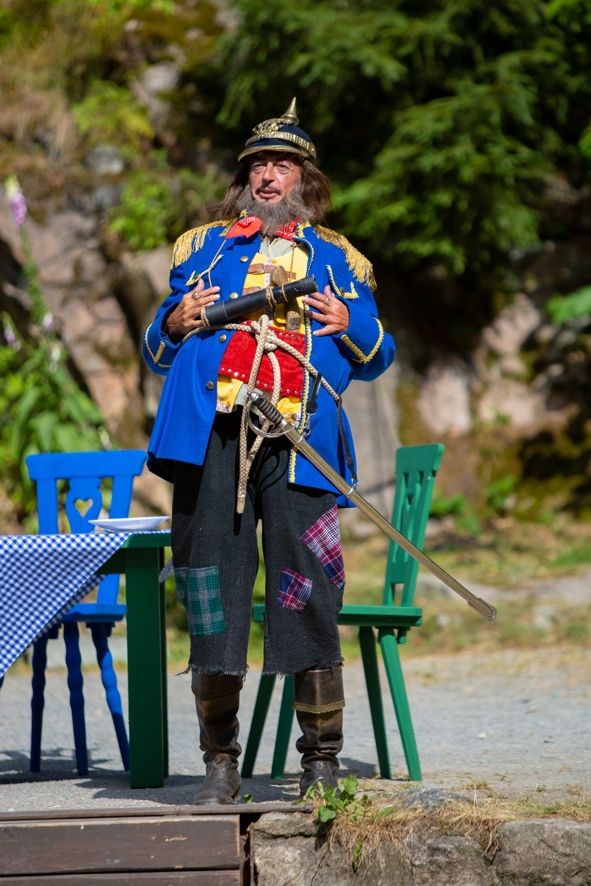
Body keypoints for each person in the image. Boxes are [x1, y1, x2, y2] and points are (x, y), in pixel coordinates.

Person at [143, 98, 396, 805]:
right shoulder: (201, 249)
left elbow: (378, 354)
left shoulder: (340, 258)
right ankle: (219, 765)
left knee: (308, 588)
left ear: (304, 180)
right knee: (210, 595)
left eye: (280, 164)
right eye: (257, 164)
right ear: (243, 179)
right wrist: (175, 317)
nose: (267, 175)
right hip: (212, 437)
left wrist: (347, 322)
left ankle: (320, 764)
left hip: (300, 436)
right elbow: (158, 349)